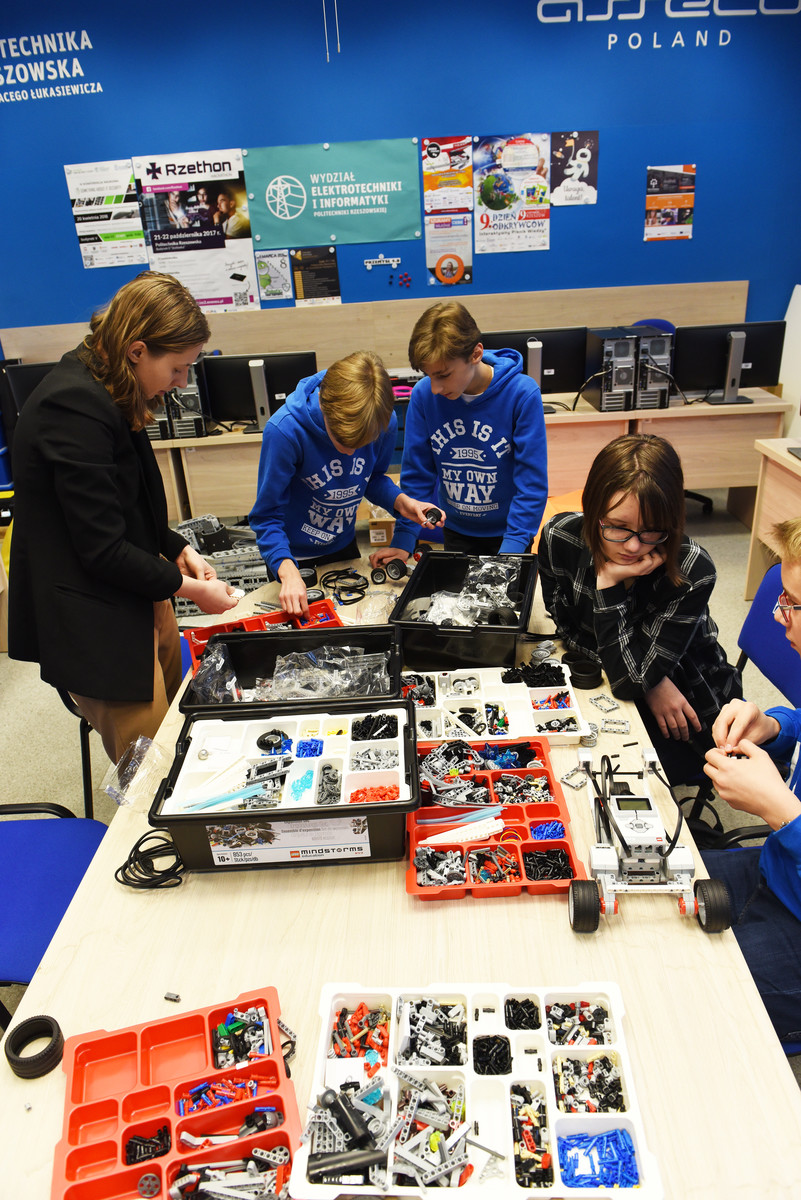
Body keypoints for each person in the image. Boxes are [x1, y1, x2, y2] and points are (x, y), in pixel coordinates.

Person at [8, 271, 239, 762]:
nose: (181, 383)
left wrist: (176, 547)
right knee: (149, 768)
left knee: (179, 725)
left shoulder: (110, 381)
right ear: (137, 350)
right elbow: (102, 549)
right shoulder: (73, 405)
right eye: (177, 368)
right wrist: (194, 591)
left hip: (136, 591)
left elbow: (128, 500)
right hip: (94, 619)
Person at [538, 433, 741, 782]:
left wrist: (607, 585)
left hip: (689, 702)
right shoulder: (559, 537)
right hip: (643, 683)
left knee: (618, 776)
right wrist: (652, 683)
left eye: (652, 531)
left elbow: (629, 682)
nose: (633, 547)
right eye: (618, 527)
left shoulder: (693, 570)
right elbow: (567, 631)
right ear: (593, 509)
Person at [702, 516, 801, 1044]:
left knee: (687, 996)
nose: (778, 616)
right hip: (781, 867)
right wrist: (775, 726)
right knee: (652, 898)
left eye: (792, 604)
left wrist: (781, 812)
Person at [249, 350, 440, 617]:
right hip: (290, 558)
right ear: (326, 411)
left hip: (343, 548)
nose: (351, 454)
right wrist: (286, 568)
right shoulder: (285, 431)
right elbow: (266, 516)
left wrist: (401, 502)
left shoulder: (382, 421)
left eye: (361, 444)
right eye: (342, 441)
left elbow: (372, 479)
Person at [369, 301, 547, 568]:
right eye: (429, 376)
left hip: (510, 536)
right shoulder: (423, 396)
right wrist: (404, 540)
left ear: (476, 354)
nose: (435, 388)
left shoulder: (522, 394)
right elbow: (417, 475)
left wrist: (510, 551)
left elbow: (531, 484)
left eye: (443, 375)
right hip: (456, 531)